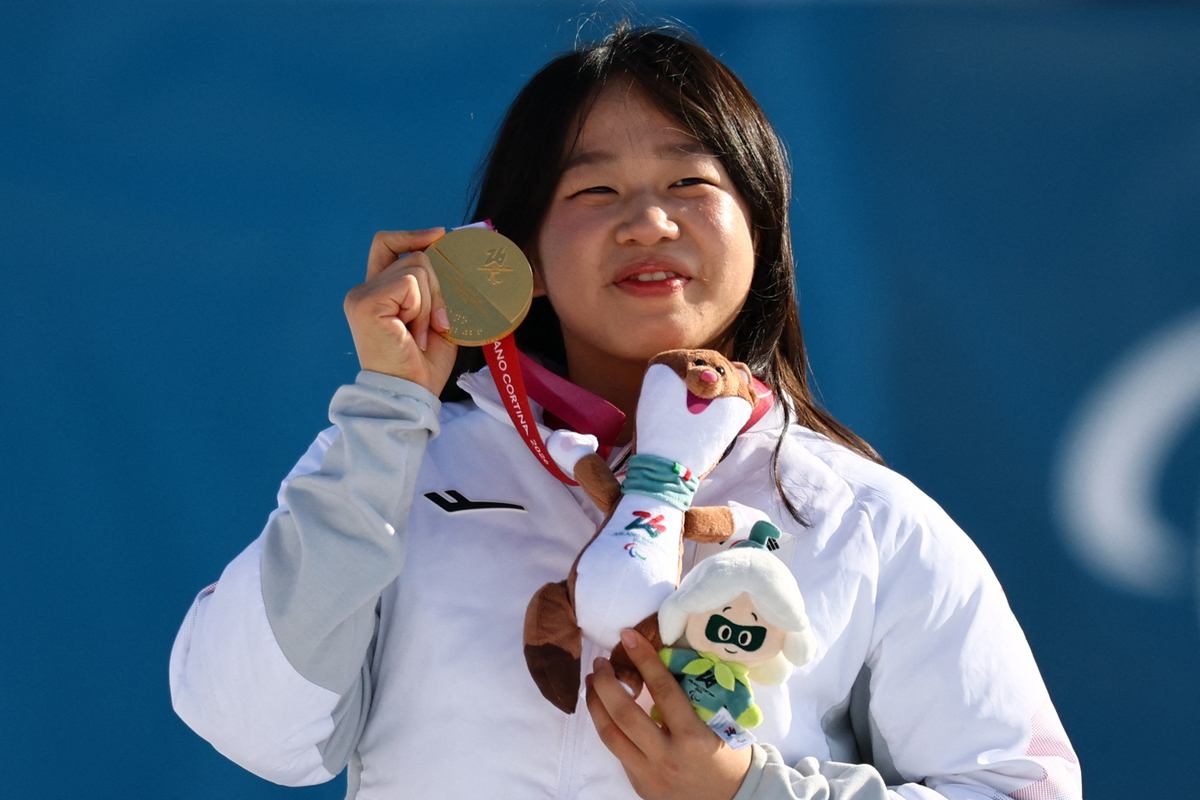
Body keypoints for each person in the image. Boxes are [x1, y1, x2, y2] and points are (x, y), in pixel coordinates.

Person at [169, 24, 1081, 800]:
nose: (649, 222)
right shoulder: (402, 468)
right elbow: (254, 723)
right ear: (518, 260)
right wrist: (387, 410)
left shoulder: (862, 520)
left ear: (760, 231)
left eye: (691, 184)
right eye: (593, 191)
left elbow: (1020, 786)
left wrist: (750, 791)